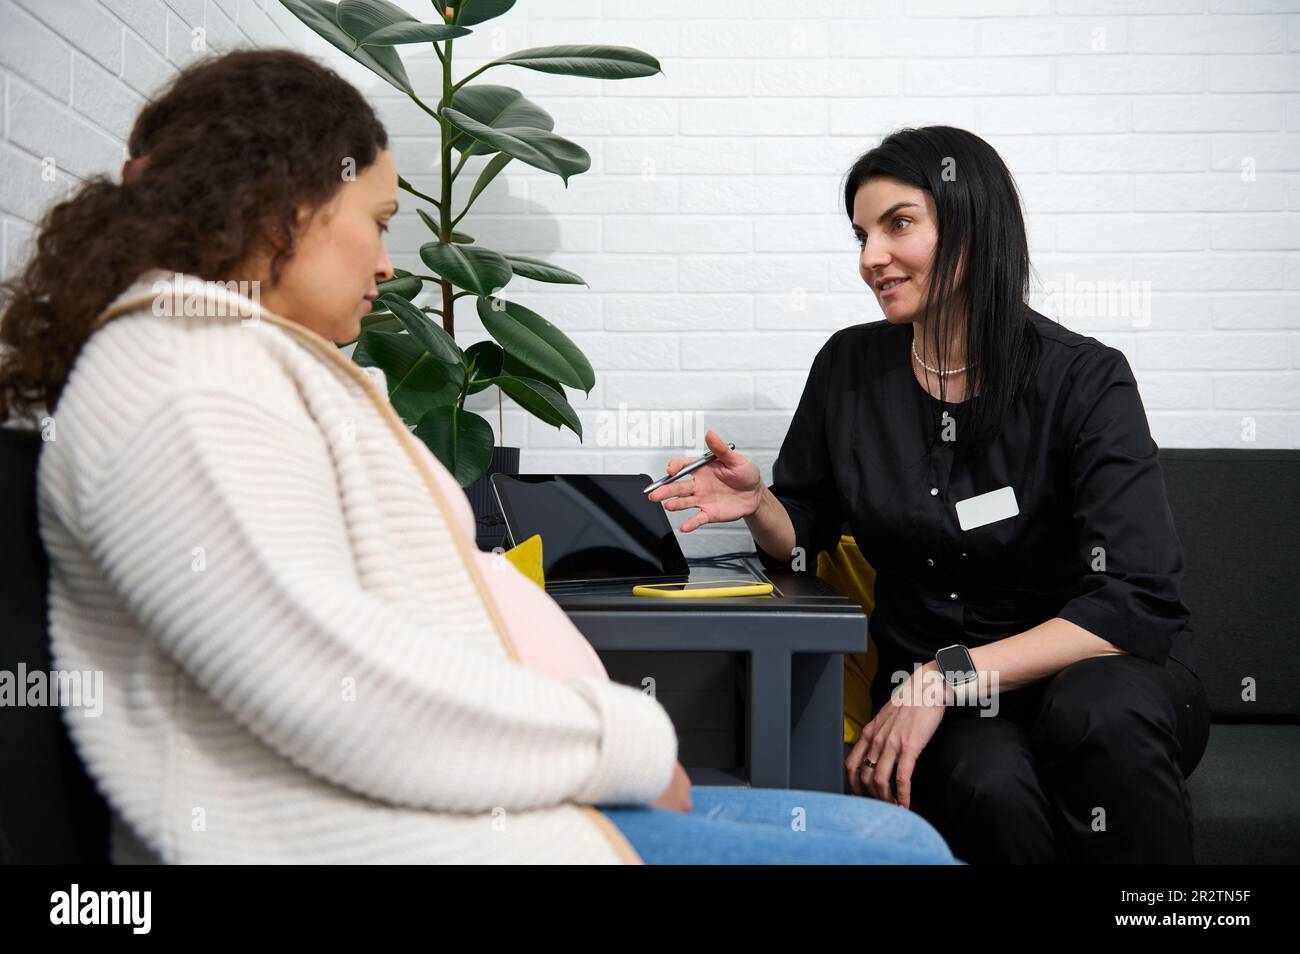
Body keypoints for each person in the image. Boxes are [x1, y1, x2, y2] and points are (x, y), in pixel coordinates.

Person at [0, 49, 958, 865]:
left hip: (456, 809)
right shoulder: (185, 373)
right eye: (377, 222)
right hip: (387, 839)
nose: (388, 264)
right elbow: (331, 686)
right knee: (901, 852)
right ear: (282, 203)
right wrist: (625, 743)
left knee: (893, 837)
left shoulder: (236, 361)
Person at [648, 126, 1212, 865]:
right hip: (951, 698)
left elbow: (1138, 595)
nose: (870, 258)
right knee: (988, 782)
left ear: (974, 230)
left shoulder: (1084, 379)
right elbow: (811, 531)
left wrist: (945, 679)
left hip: (1092, 678)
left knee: (1095, 712)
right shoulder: (851, 367)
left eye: (898, 224)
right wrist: (761, 505)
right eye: (861, 234)